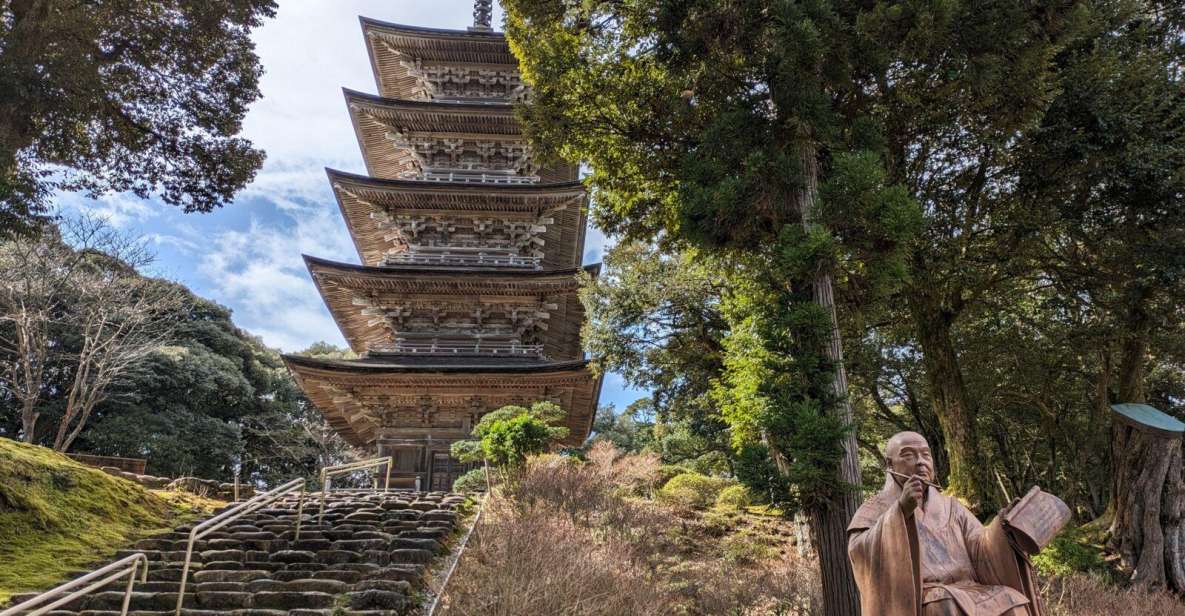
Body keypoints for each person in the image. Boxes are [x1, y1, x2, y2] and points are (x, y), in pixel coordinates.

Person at [847, 431, 1052, 616]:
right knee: (942, 601)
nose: (920, 462)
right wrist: (900, 511)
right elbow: (859, 551)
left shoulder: (952, 507)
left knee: (1011, 599)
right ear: (890, 465)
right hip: (922, 594)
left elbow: (982, 546)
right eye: (909, 455)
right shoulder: (874, 508)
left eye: (926, 455)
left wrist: (1004, 526)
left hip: (969, 587)